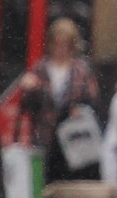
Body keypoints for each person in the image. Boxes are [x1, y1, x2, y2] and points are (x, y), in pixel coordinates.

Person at [19, 17, 103, 184]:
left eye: (65, 44)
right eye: (56, 44)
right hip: (47, 139)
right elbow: (27, 107)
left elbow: (93, 102)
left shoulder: (81, 71)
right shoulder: (40, 69)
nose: (60, 49)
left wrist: (78, 109)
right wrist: (29, 90)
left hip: (75, 140)